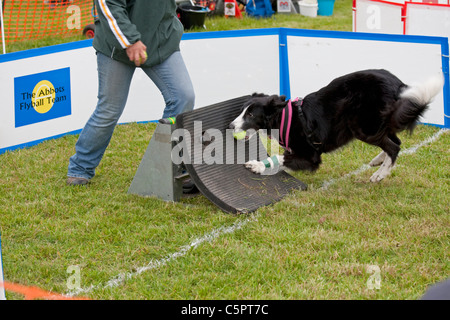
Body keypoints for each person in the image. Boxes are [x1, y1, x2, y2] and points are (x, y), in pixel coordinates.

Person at [67, 0, 195, 186]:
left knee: (183, 97)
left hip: (161, 40)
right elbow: (107, 5)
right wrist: (130, 40)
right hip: (118, 45)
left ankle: (167, 167)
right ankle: (80, 168)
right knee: (109, 110)